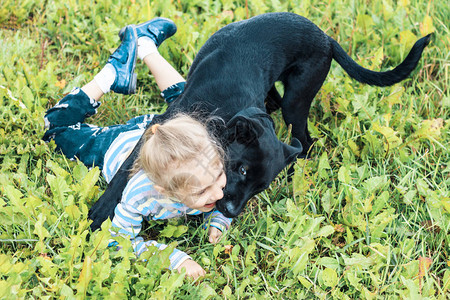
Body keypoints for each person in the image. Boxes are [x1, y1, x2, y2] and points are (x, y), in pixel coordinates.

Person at [43, 18, 231, 279]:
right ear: (164, 190)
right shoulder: (141, 195)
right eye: (202, 191)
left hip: (161, 128)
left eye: (219, 176)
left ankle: (144, 45)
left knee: (189, 103)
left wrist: (219, 218)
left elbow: (223, 194)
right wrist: (174, 259)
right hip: (115, 146)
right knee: (56, 129)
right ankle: (111, 75)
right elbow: (119, 241)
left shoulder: (207, 162)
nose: (219, 193)